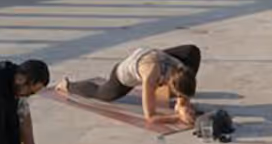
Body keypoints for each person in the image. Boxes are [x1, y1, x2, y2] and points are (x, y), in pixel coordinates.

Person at [58, 44, 200, 128]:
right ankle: (68, 86)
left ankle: (177, 99)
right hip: (124, 72)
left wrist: (182, 103)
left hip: (153, 56)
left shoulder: (182, 69)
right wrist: (178, 117)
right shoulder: (150, 77)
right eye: (178, 94)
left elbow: (184, 85)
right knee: (103, 94)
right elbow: (150, 118)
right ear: (170, 84)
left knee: (191, 51)